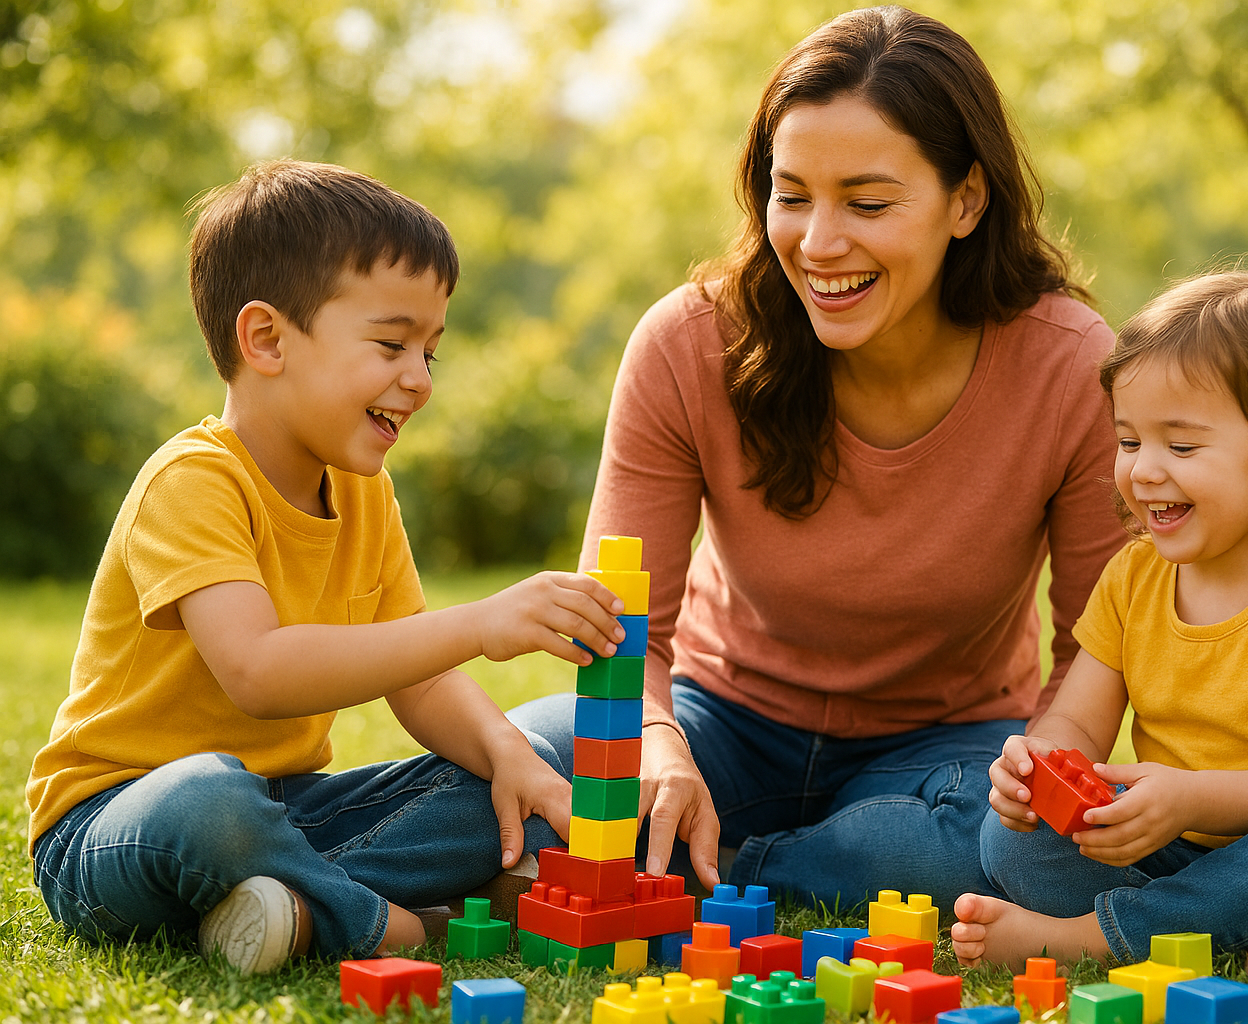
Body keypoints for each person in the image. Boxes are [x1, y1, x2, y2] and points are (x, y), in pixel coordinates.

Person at [509, 5, 1125, 910]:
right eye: (792, 195)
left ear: (967, 198)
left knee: (969, 848)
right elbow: (618, 621)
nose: (818, 243)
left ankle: (723, 871)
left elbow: (1097, 648)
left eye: (867, 204)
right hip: (715, 719)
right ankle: (287, 859)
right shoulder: (687, 344)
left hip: (944, 752)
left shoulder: (1069, 366)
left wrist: (1030, 784)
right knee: (517, 763)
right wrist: (655, 743)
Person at [25, 160, 627, 974]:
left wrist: (503, 751)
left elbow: (419, 679)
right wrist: (481, 624)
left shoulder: (364, 494)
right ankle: (382, 922)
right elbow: (259, 672)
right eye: (391, 344)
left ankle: (288, 909)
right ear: (267, 339)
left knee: (535, 755)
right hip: (121, 824)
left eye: (429, 353)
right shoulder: (193, 482)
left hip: (289, 810)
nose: (417, 379)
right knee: (210, 798)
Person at [951, 270, 1248, 985]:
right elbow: (1077, 721)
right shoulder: (1133, 578)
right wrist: (1037, 768)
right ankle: (1231, 938)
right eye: (1129, 440)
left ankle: (1099, 940)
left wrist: (1193, 798)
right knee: (1008, 840)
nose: (1143, 471)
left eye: (1183, 447)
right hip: (1173, 852)